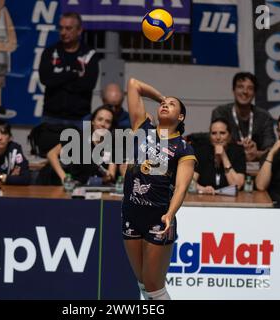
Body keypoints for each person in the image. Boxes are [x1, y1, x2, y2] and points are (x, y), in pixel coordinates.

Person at [122, 78, 196, 300]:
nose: (165, 105)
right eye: (164, 103)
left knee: (155, 286)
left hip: (159, 218)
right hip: (131, 214)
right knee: (144, 283)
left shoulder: (183, 148)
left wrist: (170, 214)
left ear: (181, 117)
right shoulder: (141, 127)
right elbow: (134, 84)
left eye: (173, 105)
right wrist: (162, 98)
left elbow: (182, 188)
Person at [38, 12, 99, 155]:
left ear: (79, 30)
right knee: (47, 160)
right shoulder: (50, 52)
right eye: (61, 28)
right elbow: (46, 80)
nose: (63, 32)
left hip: (79, 120)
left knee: (78, 160)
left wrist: (59, 78)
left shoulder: (89, 54)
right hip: (51, 118)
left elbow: (87, 84)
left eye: (68, 28)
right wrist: (73, 74)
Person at [211, 72, 276, 161]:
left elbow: (271, 149)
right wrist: (239, 151)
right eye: (240, 87)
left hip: (258, 168)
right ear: (233, 90)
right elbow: (216, 144)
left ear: (254, 93)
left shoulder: (264, 117)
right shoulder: (221, 113)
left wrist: (256, 154)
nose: (245, 92)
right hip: (228, 166)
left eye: (250, 88)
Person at [46, 105, 117, 185]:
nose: (103, 124)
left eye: (108, 122)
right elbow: (51, 154)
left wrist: (107, 177)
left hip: (96, 188)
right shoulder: (78, 138)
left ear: (111, 126)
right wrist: (64, 177)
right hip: (72, 187)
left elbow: (111, 174)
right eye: (100, 119)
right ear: (93, 121)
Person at [193, 117, 246, 194]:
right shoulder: (202, 152)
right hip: (205, 198)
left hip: (231, 201)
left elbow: (237, 185)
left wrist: (224, 156)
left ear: (229, 136)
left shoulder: (238, 152)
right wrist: (202, 189)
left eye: (222, 133)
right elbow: (189, 181)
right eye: (214, 133)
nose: (218, 137)